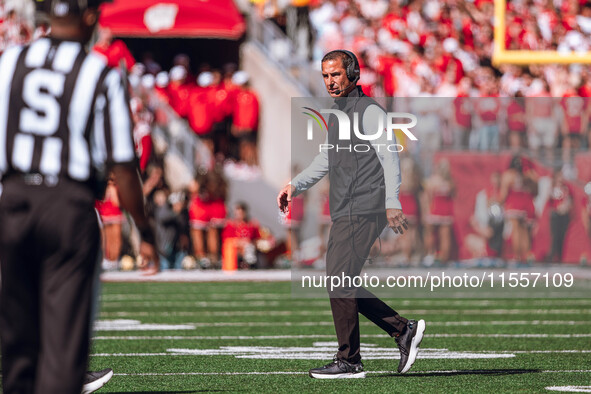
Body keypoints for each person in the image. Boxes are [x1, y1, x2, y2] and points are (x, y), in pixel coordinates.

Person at [0, 1, 159, 393]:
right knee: (63, 346)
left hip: (13, 201)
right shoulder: (97, 71)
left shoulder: (10, 62)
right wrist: (145, 231)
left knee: (18, 347)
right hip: (66, 205)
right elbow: (122, 164)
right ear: (90, 16)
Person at [277, 50, 425, 379]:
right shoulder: (338, 113)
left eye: (336, 75)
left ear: (352, 73)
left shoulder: (368, 110)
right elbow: (325, 160)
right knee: (342, 281)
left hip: (365, 205)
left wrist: (392, 201)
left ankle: (350, 359)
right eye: (326, 76)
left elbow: (390, 155)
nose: (330, 81)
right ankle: (402, 331)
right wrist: (295, 185)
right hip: (346, 207)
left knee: (338, 280)